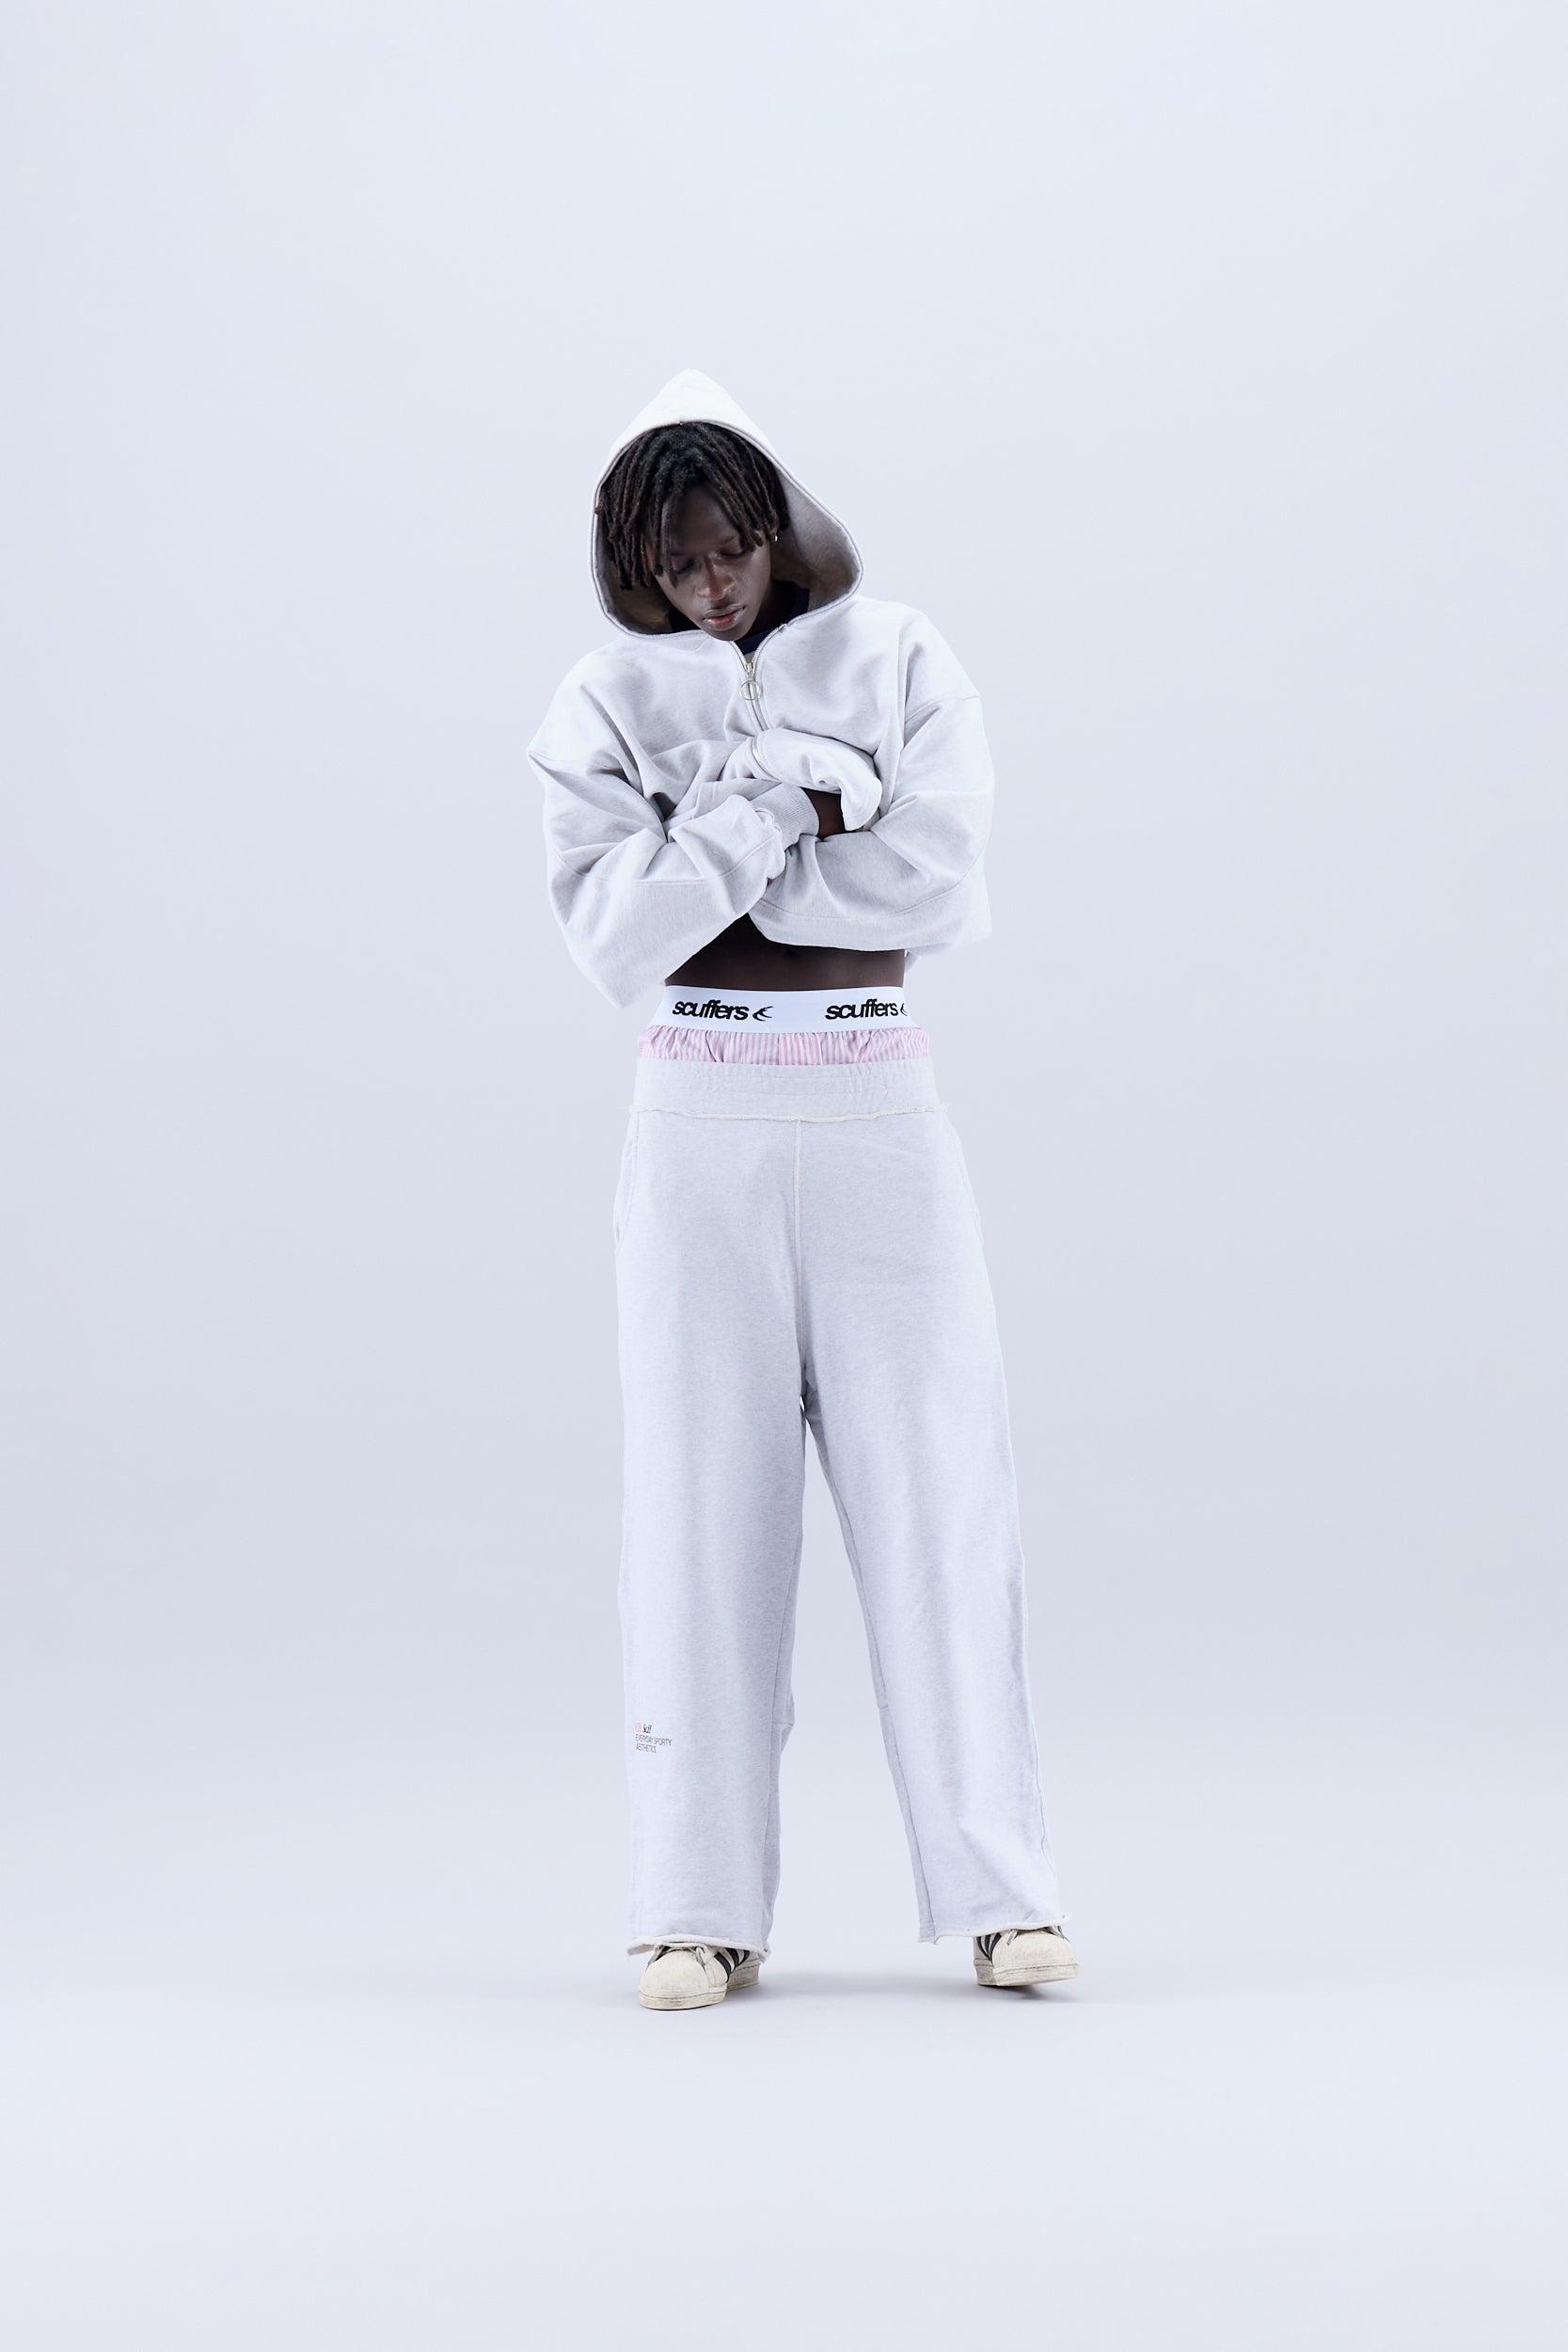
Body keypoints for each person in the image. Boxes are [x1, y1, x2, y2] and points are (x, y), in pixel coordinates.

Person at [529, 371, 1077, 2011]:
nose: (713, 587)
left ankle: (1004, 1894)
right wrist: (789, 797)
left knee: (940, 1489)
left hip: (873, 1100)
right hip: (695, 1112)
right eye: (678, 565)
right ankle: (692, 1909)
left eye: (733, 550)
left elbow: (938, 881)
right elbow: (614, 938)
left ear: (779, 522)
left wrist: (702, 846)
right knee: (697, 1507)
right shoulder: (600, 697)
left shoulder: (899, 653)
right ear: (635, 564)